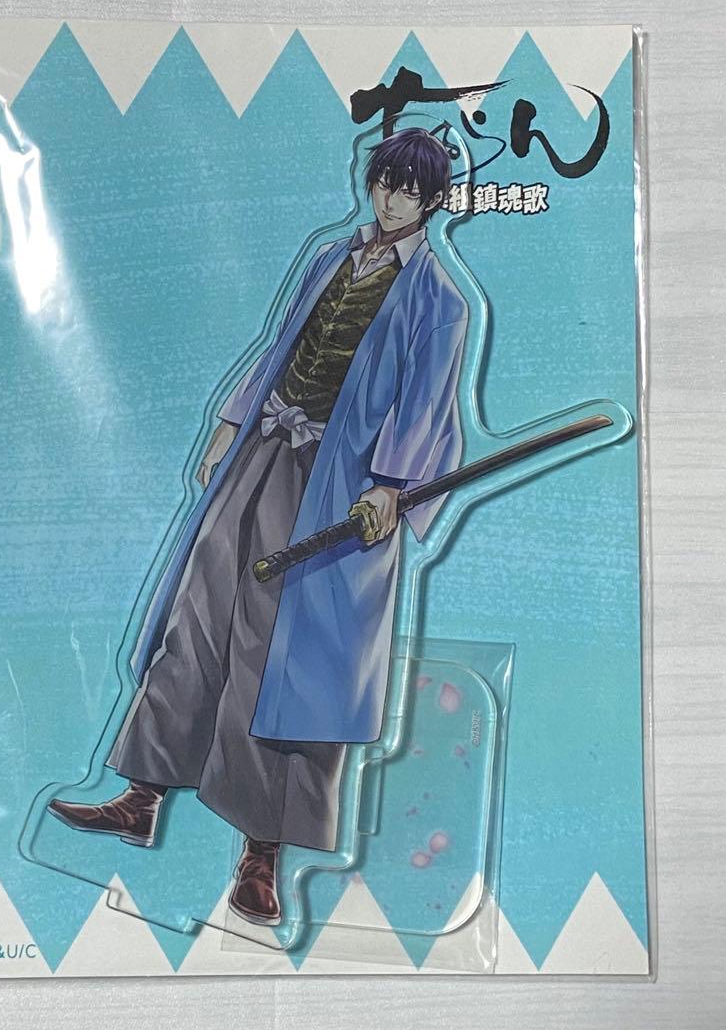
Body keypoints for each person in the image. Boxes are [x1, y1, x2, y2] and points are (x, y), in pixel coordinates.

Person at [49, 127, 469, 927]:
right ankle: (142, 794)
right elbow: (282, 347)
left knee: (285, 659)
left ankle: (261, 856)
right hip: (264, 452)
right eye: (386, 183)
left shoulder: (438, 300)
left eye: (411, 192)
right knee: (201, 613)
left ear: (432, 202)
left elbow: (428, 405)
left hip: (338, 488)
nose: (392, 201)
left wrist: (392, 486)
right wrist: (231, 421)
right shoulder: (331, 259)